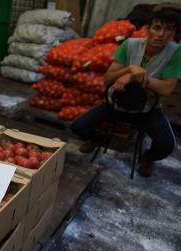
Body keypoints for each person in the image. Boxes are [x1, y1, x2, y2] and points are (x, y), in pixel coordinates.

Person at [70, 9, 181, 177]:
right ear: (147, 29)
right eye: (157, 28)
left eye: (168, 29)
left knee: (166, 145)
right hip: (115, 104)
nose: (161, 34)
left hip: (148, 110)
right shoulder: (130, 45)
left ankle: (148, 158)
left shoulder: (176, 52)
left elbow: (166, 89)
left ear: (173, 33)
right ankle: (95, 138)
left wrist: (136, 76)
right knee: (78, 127)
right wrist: (129, 68)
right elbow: (107, 79)